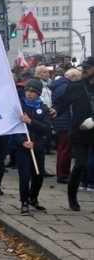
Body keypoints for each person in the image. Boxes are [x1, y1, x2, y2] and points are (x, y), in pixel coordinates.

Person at [49, 57, 94, 212]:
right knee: (80, 164)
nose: (84, 70)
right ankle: (72, 196)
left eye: (88, 67)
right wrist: (56, 109)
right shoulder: (76, 87)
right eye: (83, 67)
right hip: (78, 131)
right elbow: (62, 102)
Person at [13, 79, 52, 216]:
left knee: (38, 176)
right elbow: (14, 128)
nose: (29, 94)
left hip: (38, 148)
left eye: (32, 92)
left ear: (38, 93)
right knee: (24, 177)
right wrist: (23, 141)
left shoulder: (44, 109)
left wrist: (30, 121)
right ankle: (24, 202)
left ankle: (33, 198)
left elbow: (47, 128)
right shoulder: (20, 107)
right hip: (23, 149)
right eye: (27, 91)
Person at [49, 68, 81, 184]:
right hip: (65, 121)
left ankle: (61, 173)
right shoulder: (66, 87)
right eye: (78, 78)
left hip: (60, 120)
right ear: (72, 76)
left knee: (62, 148)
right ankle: (63, 174)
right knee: (66, 149)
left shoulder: (59, 84)